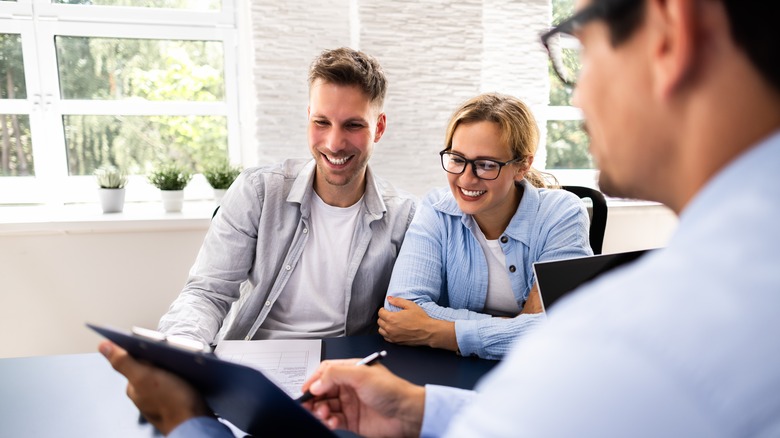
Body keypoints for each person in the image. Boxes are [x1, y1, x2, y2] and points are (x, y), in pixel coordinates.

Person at [99, 0, 780, 436]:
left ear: (671, 32)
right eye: (455, 160)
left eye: (573, 46)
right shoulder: (278, 193)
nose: (582, 90)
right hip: (278, 376)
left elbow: (520, 358)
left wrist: (187, 421)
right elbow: (400, 313)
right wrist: (191, 360)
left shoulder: (624, 342)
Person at [157, 47, 416, 345]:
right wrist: (182, 345)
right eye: (322, 122)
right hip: (253, 358)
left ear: (379, 127)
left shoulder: (404, 216)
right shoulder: (257, 192)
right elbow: (207, 292)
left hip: (345, 373)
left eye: (353, 125)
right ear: (308, 118)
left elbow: (410, 316)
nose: (334, 143)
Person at [379, 93, 591, 359]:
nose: (467, 179)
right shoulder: (436, 210)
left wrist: (443, 332)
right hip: (454, 371)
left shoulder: (562, 213)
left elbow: (564, 328)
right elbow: (400, 310)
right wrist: (517, 327)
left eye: (486, 165)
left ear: (522, 166)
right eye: (457, 159)